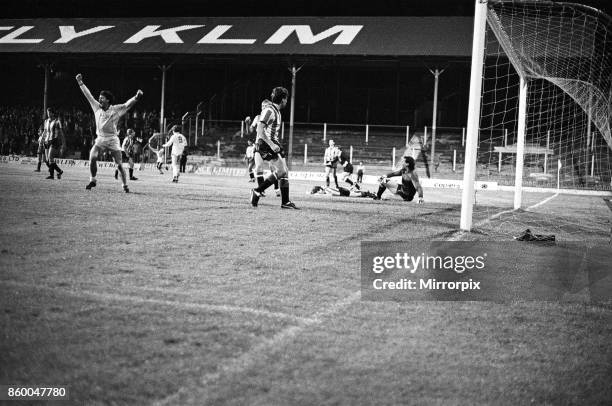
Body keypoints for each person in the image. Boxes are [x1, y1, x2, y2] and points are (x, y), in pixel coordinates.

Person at [76, 73, 143, 193]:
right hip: (100, 139)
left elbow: (127, 105)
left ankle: (125, 185)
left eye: (102, 98)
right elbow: (88, 95)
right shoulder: (96, 107)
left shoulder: (115, 109)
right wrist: (80, 83)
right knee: (92, 157)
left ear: (108, 100)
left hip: (113, 140)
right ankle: (93, 180)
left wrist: (136, 97)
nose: (99, 99)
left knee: (119, 165)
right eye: (99, 97)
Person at [249, 87, 298, 209]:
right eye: (286, 99)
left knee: (284, 171)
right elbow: (260, 129)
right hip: (266, 144)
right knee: (282, 171)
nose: (287, 101)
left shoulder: (276, 111)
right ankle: (258, 191)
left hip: (271, 144)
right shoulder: (269, 110)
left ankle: (284, 202)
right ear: (283, 99)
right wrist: (271, 144)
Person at [42, 107, 65, 180]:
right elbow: (45, 131)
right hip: (47, 141)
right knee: (47, 160)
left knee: (50, 157)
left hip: (54, 140)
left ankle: (52, 176)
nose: (48, 114)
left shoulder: (57, 121)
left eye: (49, 112)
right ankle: (59, 171)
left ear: (52, 113)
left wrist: (63, 143)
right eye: (47, 112)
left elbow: (61, 132)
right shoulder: (46, 121)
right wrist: (42, 139)